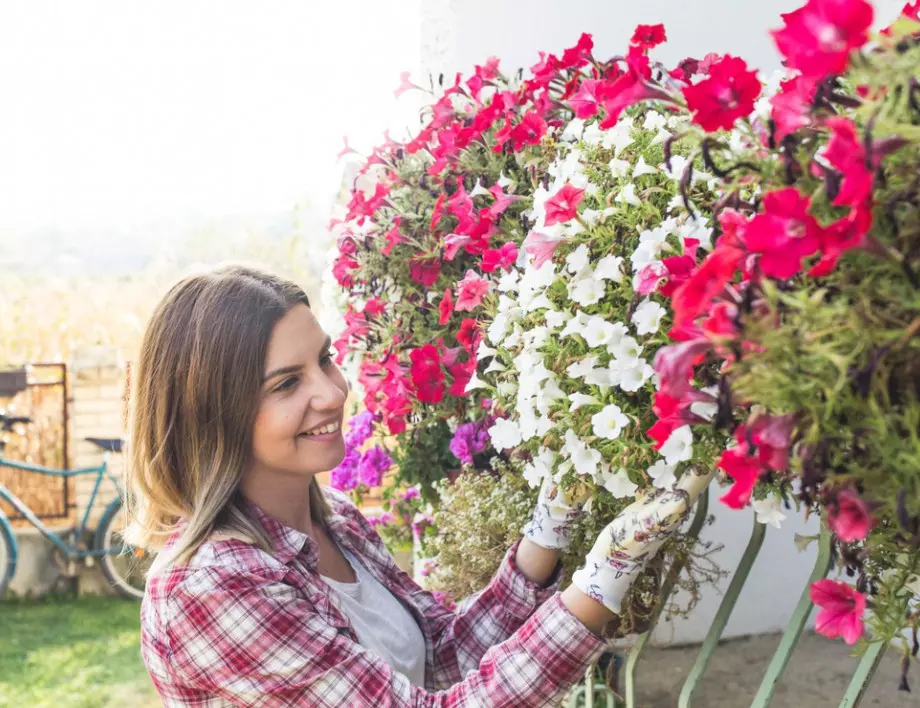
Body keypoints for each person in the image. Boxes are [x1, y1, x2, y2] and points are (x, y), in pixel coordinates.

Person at [128, 263, 712, 707]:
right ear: (215, 414)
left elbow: (441, 655)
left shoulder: (336, 523)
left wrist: (548, 528)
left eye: (325, 360)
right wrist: (603, 578)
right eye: (286, 384)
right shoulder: (210, 587)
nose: (332, 393)